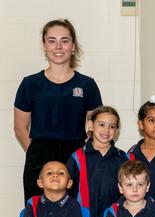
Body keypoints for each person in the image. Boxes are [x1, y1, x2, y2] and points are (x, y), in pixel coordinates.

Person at [14, 19, 103, 202]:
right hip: (39, 158)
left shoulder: (87, 85)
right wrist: (37, 153)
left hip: (75, 155)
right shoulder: (30, 84)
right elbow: (20, 128)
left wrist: (82, 154)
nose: (58, 47)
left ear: (73, 46)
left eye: (64, 40)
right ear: (44, 46)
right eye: (52, 41)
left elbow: (98, 126)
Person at [67, 106, 132, 217]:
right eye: (101, 124)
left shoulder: (124, 158)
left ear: (116, 131)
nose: (106, 130)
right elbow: (67, 193)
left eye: (112, 126)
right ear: (91, 125)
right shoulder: (77, 157)